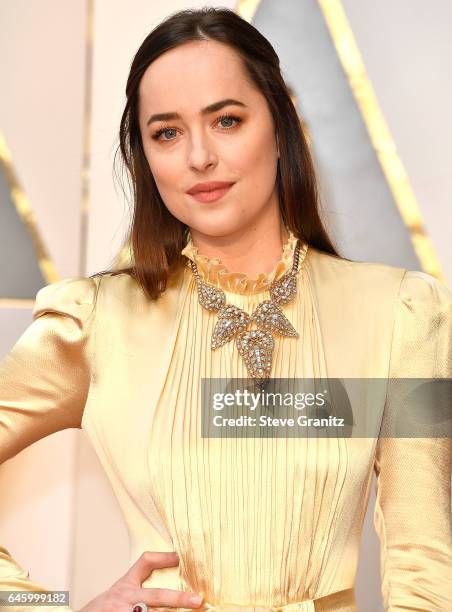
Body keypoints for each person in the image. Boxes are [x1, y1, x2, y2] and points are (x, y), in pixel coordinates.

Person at [1, 7, 451, 612]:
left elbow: (425, 565)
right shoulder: (93, 323)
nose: (199, 157)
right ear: (145, 158)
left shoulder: (402, 313)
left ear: (281, 125)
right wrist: (55, 609)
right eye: (167, 132)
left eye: (228, 120)